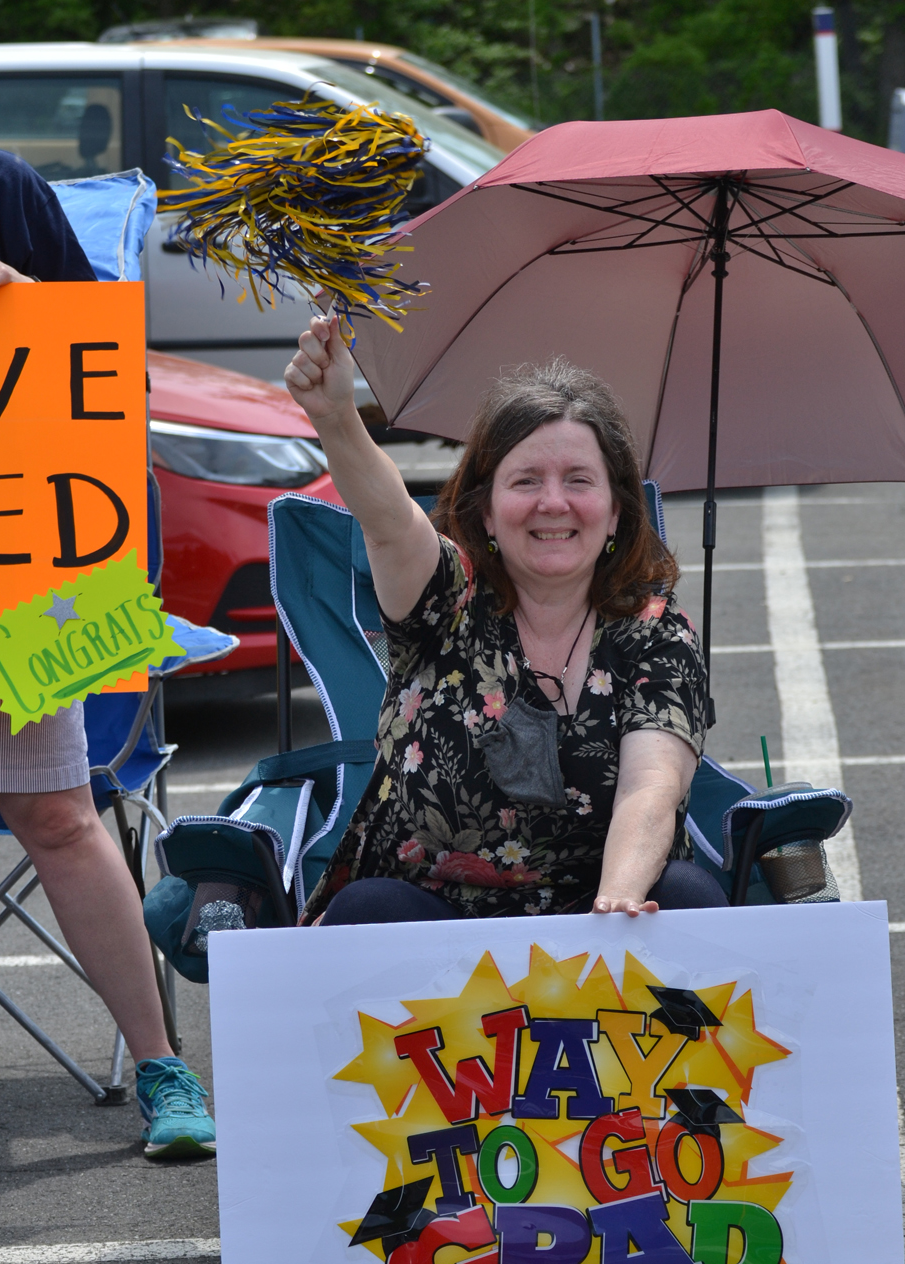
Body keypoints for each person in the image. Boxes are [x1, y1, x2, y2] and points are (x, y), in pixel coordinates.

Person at [0, 0, 214, 1163]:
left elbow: (93, 363)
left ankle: (164, 1069)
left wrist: (18, 296)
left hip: (17, 579)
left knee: (61, 816)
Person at [284, 313, 729, 924]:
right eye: (525, 481)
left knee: (686, 900)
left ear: (618, 511)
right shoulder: (444, 600)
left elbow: (652, 788)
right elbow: (389, 522)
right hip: (432, 920)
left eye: (579, 479)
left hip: (599, 912)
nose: (553, 502)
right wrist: (336, 418)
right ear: (487, 514)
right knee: (369, 909)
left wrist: (616, 904)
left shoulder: (654, 630)